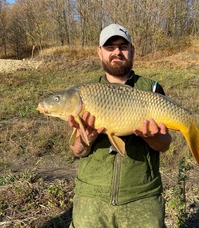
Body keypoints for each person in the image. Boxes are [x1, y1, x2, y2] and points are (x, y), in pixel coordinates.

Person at [68, 24, 172, 228]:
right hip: (91, 199)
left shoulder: (152, 89)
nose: (117, 52)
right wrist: (84, 138)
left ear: (132, 50)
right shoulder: (86, 93)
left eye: (123, 46)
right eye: (109, 47)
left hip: (142, 199)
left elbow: (165, 144)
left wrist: (150, 137)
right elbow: (77, 151)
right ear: (100, 53)